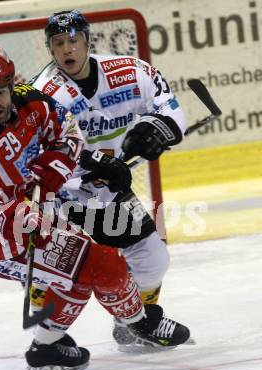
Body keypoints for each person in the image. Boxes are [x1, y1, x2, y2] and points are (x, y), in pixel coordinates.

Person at [0, 45, 190, 370]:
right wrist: (5, 214)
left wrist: (60, 160)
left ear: (11, 85)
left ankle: (47, 347)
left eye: (0, 92)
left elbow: (67, 129)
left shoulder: (31, 101)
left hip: (37, 214)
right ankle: (140, 324)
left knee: (79, 279)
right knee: (105, 268)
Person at [30, 10, 189, 352]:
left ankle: (135, 319)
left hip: (108, 195)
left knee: (153, 260)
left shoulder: (129, 71)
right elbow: (37, 150)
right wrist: (94, 165)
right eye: (58, 43)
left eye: (73, 41)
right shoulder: (43, 94)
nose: (67, 50)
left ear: (87, 41)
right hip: (62, 199)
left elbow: (170, 107)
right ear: (50, 49)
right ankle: (47, 343)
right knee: (62, 277)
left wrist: (156, 129)